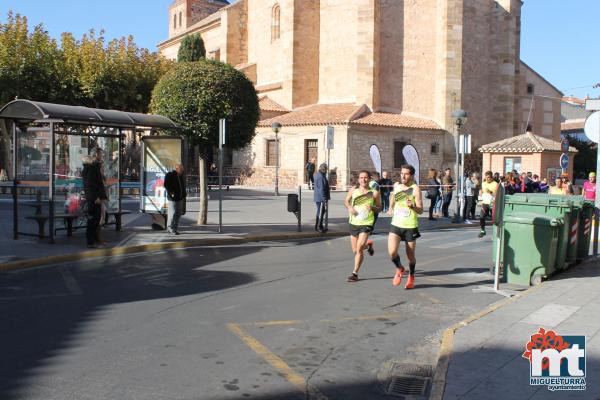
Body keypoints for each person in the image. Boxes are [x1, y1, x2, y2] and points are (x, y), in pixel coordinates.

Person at [387, 164, 423, 289]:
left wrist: (412, 206)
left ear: (411, 175)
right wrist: (390, 207)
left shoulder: (415, 189)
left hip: (410, 226)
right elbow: (393, 196)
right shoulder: (397, 186)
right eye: (402, 173)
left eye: (406, 174)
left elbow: (421, 210)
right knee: (392, 252)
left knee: (410, 256)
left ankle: (411, 276)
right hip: (396, 224)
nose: (403, 176)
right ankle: (400, 268)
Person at [344, 170, 381, 282]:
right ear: (358, 179)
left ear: (369, 179)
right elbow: (346, 201)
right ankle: (368, 246)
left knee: (359, 247)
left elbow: (379, 208)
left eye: (366, 177)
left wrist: (373, 208)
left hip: (367, 222)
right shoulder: (353, 190)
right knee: (355, 250)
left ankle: (354, 273)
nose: (363, 179)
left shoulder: (374, 193)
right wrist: (349, 207)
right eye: (361, 177)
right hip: (354, 222)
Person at [82, 149, 108, 248]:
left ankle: (94, 240)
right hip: (94, 199)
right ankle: (91, 242)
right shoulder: (91, 169)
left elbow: (98, 183)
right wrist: (96, 197)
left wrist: (102, 197)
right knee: (93, 220)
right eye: (91, 157)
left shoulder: (93, 168)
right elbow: (91, 185)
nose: (95, 158)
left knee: (96, 220)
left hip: (95, 198)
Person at [164, 163, 186, 235]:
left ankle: (175, 228)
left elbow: (182, 186)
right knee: (172, 213)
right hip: (172, 198)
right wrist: (171, 192)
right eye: (181, 169)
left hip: (180, 198)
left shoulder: (181, 176)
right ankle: (170, 228)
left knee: (178, 213)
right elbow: (166, 184)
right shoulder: (170, 175)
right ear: (177, 169)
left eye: (182, 169)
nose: (182, 170)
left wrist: (184, 194)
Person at [478, 171, 498, 238]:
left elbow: (497, 194)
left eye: (489, 177)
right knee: (481, 217)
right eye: (486, 177)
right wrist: (480, 192)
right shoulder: (483, 183)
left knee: (494, 219)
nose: (487, 179)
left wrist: (490, 192)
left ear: (491, 177)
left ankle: (496, 234)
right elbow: (482, 191)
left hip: (492, 203)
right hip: (485, 203)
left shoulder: (495, 184)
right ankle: (483, 231)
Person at [313, 163, 330, 232]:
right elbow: (321, 189)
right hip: (321, 198)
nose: (326, 171)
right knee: (320, 212)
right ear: (323, 169)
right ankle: (318, 227)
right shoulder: (320, 177)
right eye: (326, 170)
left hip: (319, 197)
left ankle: (320, 226)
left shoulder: (319, 175)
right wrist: (324, 198)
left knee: (321, 212)